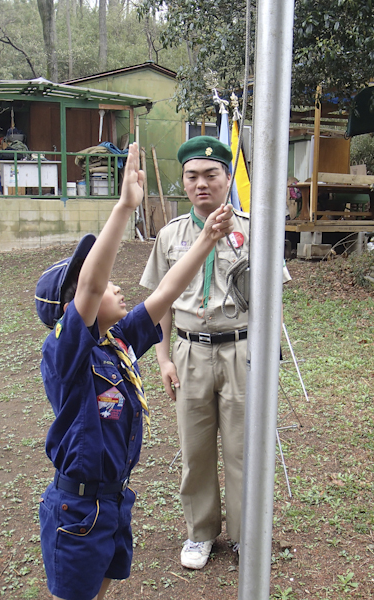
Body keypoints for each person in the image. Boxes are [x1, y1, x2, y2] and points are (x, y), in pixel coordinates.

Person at [34, 141, 233, 600]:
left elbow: (165, 292)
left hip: (112, 500)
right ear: (73, 308)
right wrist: (125, 206)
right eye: (103, 284)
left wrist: (205, 240)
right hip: (77, 508)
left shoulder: (116, 340)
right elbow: (91, 283)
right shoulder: (67, 354)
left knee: (101, 588)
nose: (115, 286)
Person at [140, 136, 291, 570]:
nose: (201, 184)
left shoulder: (255, 231)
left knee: (245, 447)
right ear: (184, 183)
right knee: (196, 448)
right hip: (189, 353)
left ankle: (247, 534)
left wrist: (265, 358)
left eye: (211, 175)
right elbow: (162, 304)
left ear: (228, 179)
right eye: (192, 176)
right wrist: (164, 358)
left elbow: (272, 302)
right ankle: (200, 533)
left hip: (240, 352)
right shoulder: (170, 236)